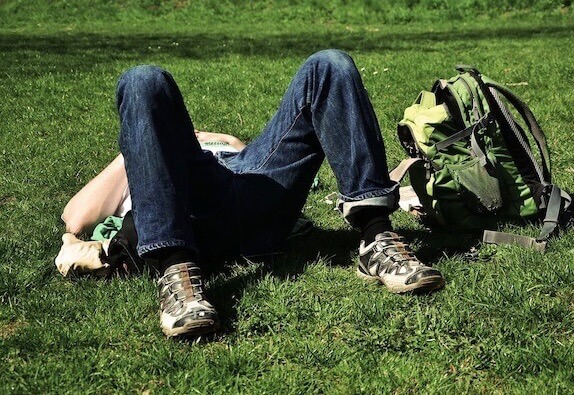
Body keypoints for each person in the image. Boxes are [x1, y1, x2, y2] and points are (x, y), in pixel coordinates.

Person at [64, 49, 445, 338]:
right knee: (142, 80)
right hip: (198, 206)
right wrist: (141, 145)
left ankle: (376, 238)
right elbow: (77, 217)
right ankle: (177, 276)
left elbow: (245, 150)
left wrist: (213, 141)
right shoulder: (145, 161)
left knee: (329, 62)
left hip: (256, 180)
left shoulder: (218, 142)